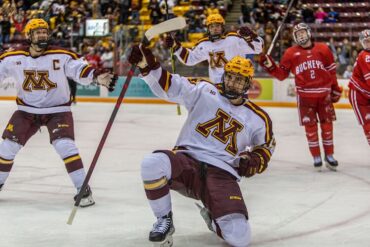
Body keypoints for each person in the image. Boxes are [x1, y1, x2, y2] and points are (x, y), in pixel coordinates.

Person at [128, 44, 275, 247]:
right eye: (230, 77)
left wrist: (254, 160)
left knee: (240, 238)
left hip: (222, 173)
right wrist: (148, 67)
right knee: (152, 163)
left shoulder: (258, 118)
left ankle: (214, 220)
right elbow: (172, 87)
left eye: (239, 80)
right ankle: (164, 220)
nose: (232, 83)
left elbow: (266, 147)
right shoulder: (205, 89)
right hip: (187, 161)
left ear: (248, 83)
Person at [0, 19, 117, 206]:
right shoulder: (13, 58)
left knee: (65, 146)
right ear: (29, 36)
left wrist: (96, 76)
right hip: (26, 111)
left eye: (45, 32)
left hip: (58, 110)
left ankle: (82, 188)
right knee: (7, 147)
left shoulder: (62, 55)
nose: (42, 35)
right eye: (38, 32)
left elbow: (79, 70)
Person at [259, 23, 342, 171]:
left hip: (324, 95)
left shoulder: (323, 48)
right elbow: (281, 75)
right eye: (297, 34)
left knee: (327, 126)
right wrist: (269, 65)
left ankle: (329, 155)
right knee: (310, 129)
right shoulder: (290, 53)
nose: (301, 36)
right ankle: (316, 156)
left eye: (303, 32)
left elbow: (331, 71)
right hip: (305, 97)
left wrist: (335, 88)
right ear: (294, 38)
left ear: (309, 33)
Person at [165, 13, 264, 83]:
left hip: (238, 84)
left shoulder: (234, 39)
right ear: (208, 29)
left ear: (222, 27)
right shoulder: (204, 44)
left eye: (217, 26)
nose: (215, 28)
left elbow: (258, 49)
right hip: (217, 87)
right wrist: (176, 46)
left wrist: (251, 36)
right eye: (211, 26)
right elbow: (189, 59)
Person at [348, 29, 370, 146]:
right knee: (368, 124)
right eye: (365, 41)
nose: (368, 44)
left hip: (367, 93)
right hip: (359, 94)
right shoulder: (365, 56)